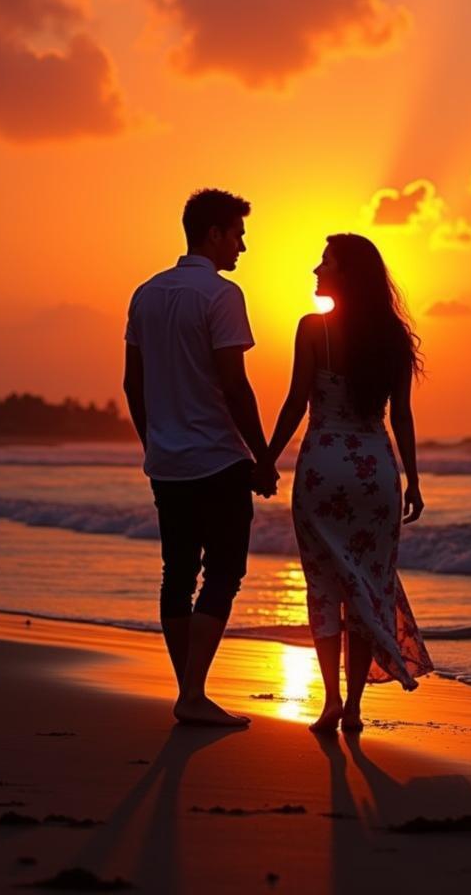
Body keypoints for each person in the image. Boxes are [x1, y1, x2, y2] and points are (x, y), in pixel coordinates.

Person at [255, 234, 433, 733]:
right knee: (366, 584)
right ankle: (354, 706)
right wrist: (414, 480)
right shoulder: (394, 339)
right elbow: (402, 417)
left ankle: (330, 700)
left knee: (324, 587)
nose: (315, 269)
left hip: (322, 469)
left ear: (347, 273)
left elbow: (295, 403)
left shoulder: (314, 330)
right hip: (376, 472)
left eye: (325, 262)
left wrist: (266, 461)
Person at [123, 188, 279, 728]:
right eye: (237, 234)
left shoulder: (145, 294)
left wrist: (154, 443)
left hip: (168, 461)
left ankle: (189, 689)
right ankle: (191, 692)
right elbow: (235, 386)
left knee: (178, 571)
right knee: (225, 570)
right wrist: (262, 458)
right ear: (213, 233)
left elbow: (131, 384)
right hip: (217, 456)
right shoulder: (220, 295)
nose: (243, 245)